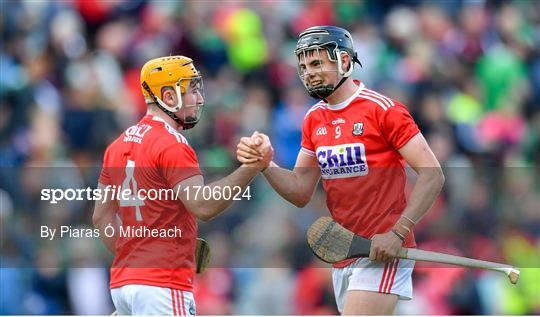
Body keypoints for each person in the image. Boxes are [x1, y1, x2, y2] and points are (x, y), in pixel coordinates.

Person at [237, 26, 445, 315]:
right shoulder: (313, 119)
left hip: (383, 251)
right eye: (304, 66)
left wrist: (397, 233)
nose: (309, 72)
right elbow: (300, 190)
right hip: (345, 253)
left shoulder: (383, 110)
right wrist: (265, 165)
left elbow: (433, 174)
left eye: (317, 63)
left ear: (344, 62)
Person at [92, 55, 271, 315]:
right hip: (162, 284)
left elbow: (101, 217)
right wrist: (252, 167)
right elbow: (203, 205)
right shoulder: (171, 142)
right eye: (192, 90)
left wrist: (135, 255)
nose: (199, 99)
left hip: (124, 283)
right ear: (168, 96)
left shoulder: (117, 145)